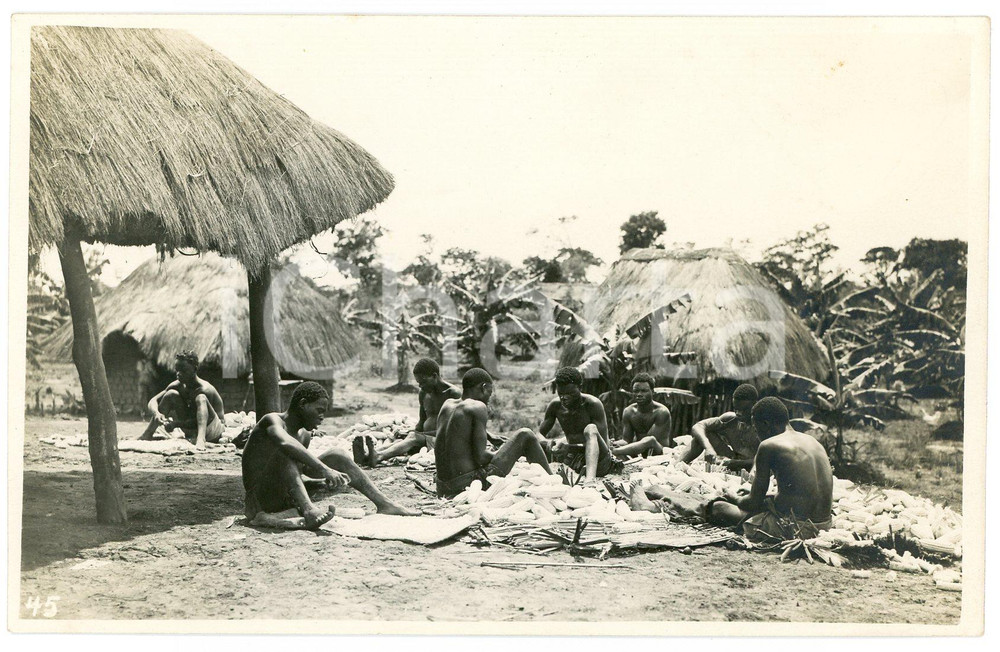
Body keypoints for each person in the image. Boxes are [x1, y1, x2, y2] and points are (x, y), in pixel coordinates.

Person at [242, 381, 419, 530]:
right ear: (303, 404)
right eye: (319, 410)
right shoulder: (272, 420)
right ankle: (309, 510)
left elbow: (298, 471)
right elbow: (285, 444)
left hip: (283, 498)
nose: (322, 417)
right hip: (259, 500)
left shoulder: (304, 434)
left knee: (337, 454)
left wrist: (325, 478)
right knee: (285, 453)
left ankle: (384, 503)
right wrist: (325, 470)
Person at [703, 397, 834, 541]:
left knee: (718, 508)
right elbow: (801, 493)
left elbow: (752, 503)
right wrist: (767, 497)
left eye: (756, 428)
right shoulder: (813, 442)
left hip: (797, 528)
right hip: (825, 525)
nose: (756, 433)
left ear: (765, 424)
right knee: (761, 502)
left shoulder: (768, 445)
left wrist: (733, 497)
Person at [434, 368, 552, 498]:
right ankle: (554, 483)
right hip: (466, 486)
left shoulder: (447, 404)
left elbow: (456, 435)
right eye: (489, 393)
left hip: (442, 488)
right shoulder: (478, 407)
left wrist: (490, 436)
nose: (489, 399)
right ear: (484, 387)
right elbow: (481, 458)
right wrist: (506, 451)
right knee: (526, 434)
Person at [538, 367, 655, 482]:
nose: (564, 398)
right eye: (561, 394)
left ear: (580, 388)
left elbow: (603, 444)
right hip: (573, 458)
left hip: (600, 460)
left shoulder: (593, 405)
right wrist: (548, 443)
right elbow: (538, 434)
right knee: (528, 436)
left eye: (570, 393)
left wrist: (569, 447)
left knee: (590, 428)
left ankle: (590, 480)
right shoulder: (555, 406)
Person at [353, 358, 461, 467]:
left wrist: (419, 435)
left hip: (444, 442)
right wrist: (410, 431)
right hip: (425, 439)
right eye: (418, 383)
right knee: (401, 440)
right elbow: (421, 422)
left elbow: (452, 430)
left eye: (423, 382)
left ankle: (378, 457)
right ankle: (367, 456)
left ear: (434, 376)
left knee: (413, 438)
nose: (420, 386)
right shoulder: (424, 393)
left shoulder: (453, 394)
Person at [139, 350, 225, 449]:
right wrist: (156, 414)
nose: (179, 374)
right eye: (177, 370)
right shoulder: (178, 385)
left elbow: (198, 421)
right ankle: (147, 434)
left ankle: (201, 440)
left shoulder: (205, 389)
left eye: (183, 371)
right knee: (171, 394)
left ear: (194, 369)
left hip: (212, 430)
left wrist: (176, 424)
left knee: (201, 398)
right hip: (191, 429)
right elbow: (153, 401)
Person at [681, 383, 761, 471]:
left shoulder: (763, 426)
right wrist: (708, 448)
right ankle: (677, 465)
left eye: (744, 410)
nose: (739, 413)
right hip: (732, 458)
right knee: (703, 434)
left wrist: (734, 463)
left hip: (754, 466)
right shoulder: (731, 419)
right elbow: (698, 426)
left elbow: (765, 459)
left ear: (755, 405)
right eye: (736, 409)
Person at [616, 372, 673, 449]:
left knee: (650, 440)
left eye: (644, 391)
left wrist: (618, 450)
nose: (639, 394)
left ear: (652, 392)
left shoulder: (661, 412)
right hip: (636, 450)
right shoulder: (629, 412)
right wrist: (614, 444)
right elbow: (626, 440)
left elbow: (649, 443)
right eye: (636, 391)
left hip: (658, 451)